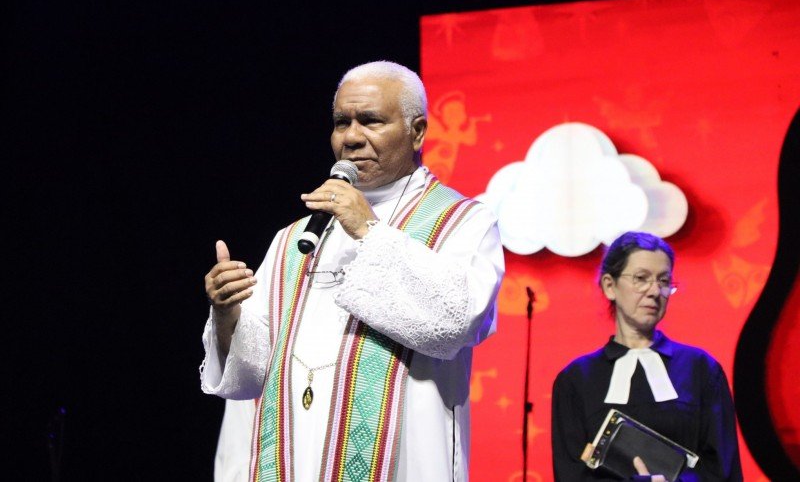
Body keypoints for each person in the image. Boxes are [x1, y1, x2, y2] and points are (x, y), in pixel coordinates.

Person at [200, 60, 504, 481]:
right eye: (342, 122)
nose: (352, 138)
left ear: (417, 131)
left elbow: (458, 321)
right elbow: (249, 377)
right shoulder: (293, 239)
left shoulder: (462, 221)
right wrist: (227, 314)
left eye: (371, 121)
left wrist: (367, 229)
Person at [551, 231, 743, 481]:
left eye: (664, 281)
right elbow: (570, 473)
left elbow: (723, 469)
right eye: (641, 278)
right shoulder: (576, 379)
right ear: (610, 286)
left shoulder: (701, 369)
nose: (655, 291)